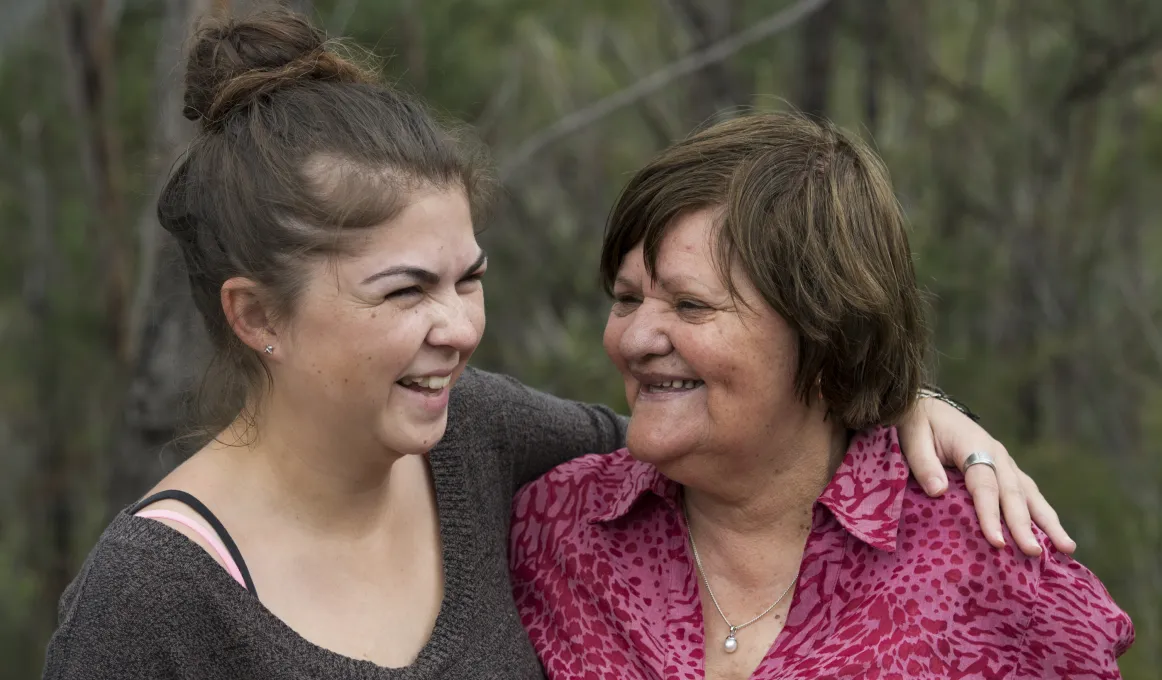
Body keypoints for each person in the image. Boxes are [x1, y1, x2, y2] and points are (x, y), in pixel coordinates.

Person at [43, 9, 1072, 680]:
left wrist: (907, 403)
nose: (457, 326)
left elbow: (738, 430)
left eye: (468, 278)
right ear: (257, 315)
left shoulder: (481, 442)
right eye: (405, 290)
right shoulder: (152, 595)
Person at [510, 113, 1135, 679]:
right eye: (625, 299)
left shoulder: (992, 567)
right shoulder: (551, 529)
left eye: (690, 305)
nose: (634, 338)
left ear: (822, 334)